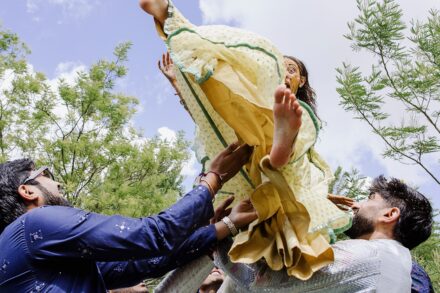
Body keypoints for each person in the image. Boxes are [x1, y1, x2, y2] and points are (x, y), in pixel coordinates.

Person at [143, 0, 351, 279]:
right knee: (228, 92)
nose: (286, 71)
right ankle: (171, 18)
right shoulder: (258, 97)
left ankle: (279, 148)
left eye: (292, 69)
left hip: (289, 174)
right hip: (251, 165)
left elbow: (310, 165)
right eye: (282, 67)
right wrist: (180, 86)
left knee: (282, 155)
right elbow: (214, 120)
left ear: (302, 81)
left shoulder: (300, 115)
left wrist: (320, 195)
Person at [0, 143, 258, 292]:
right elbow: (151, 234)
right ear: (27, 190)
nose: (57, 183)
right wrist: (212, 180)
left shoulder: (55, 257)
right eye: (46, 173)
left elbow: (148, 262)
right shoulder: (35, 225)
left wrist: (227, 225)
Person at [153, 175, 433, 292]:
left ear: (390, 214)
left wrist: (224, 231)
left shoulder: (375, 256)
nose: (358, 204)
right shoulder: (396, 264)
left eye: (370, 198)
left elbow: (267, 281)